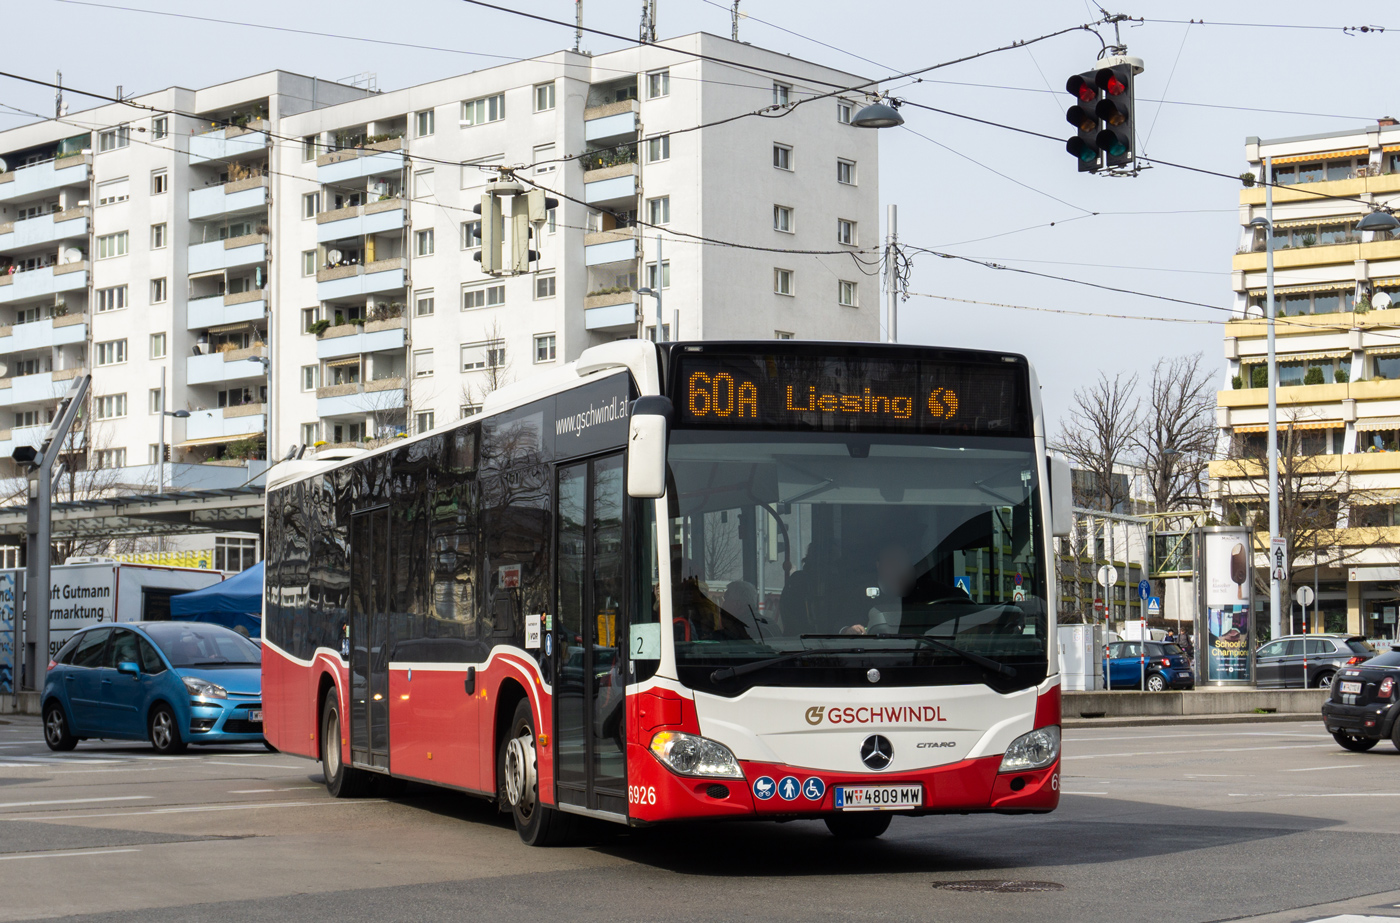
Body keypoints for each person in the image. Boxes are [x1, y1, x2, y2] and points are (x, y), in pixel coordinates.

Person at [844, 542, 916, 635]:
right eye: (891, 562)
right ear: (878, 565)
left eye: (902, 562)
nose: (897, 567)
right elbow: (840, 626)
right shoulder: (860, 595)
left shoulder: (918, 594)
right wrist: (849, 630)